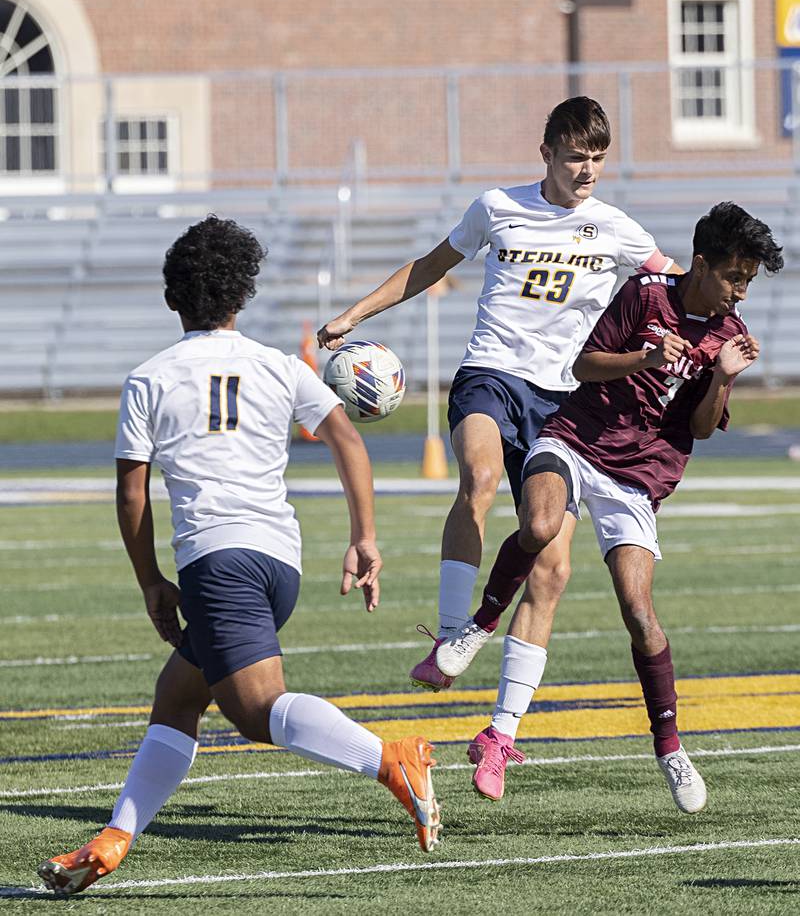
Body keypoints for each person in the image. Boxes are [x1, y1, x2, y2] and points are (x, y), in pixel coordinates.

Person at [38, 216, 442, 897]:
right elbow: (346, 438)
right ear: (242, 295)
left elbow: (131, 495)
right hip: (278, 565)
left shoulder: (149, 378)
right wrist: (363, 536)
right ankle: (113, 839)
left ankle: (393, 760)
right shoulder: (280, 365)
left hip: (216, 564)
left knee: (257, 713)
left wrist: (150, 583)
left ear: (173, 299)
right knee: (179, 696)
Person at [318, 97, 680, 692]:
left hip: (567, 402)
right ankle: (450, 633)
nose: (587, 171)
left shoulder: (619, 230)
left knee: (553, 567)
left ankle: (502, 730)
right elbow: (428, 266)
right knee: (479, 478)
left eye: (598, 159)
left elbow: (670, 289)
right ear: (546, 154)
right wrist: (353, 315)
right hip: (493, 373)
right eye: (574, 158)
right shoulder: (497, 207)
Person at [435, 202, 783, 808]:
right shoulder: (645, 294)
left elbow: (700, 429)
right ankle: (478, 626)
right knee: (539, 526)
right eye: (735, 277)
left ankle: (670, 748)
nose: (741, 293)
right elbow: (583, 364)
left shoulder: (730, 336)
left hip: (640, 474)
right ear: (701, 265)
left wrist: (724, 377)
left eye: (748, 281)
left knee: (639, 613)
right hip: (576, 439)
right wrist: (647, 358)